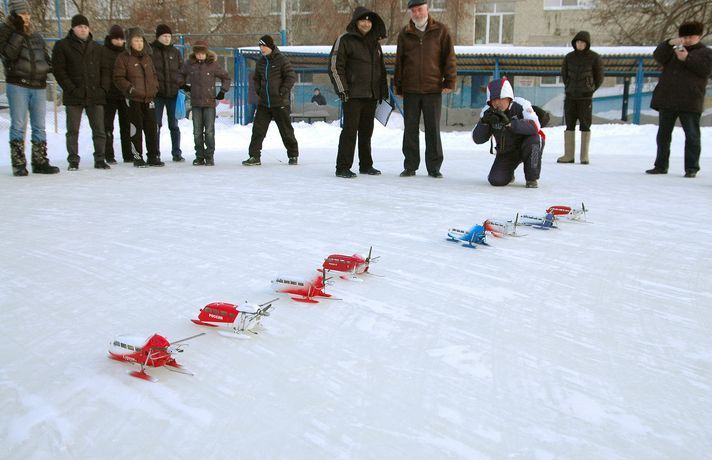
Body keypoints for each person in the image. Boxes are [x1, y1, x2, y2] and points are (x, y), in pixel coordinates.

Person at [394, 0, 456, 178]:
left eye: (420, 9)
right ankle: (410, 165)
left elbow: (449, 58)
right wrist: (398, 86)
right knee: (410, 129)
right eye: (413, 11)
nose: (417, 13)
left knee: (433, 129)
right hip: (411, 90)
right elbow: (400, 61)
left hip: (433, 89)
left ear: (427, 8)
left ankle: (434, 167)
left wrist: (449, 82)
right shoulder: (405, 33)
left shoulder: (441, 30)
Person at [328, 6, 388, 178]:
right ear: (356, 21)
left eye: (369, 20)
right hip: (352, 95)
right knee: (349, 131)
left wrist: (383, 90)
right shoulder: (345, 40)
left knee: (366, 132)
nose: (366, 23)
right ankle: (343, 167)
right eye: (363, 20)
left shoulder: (375, 43)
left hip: (371, 95)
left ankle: (366, 165)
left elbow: (381, 69)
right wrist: (342, 89)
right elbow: (334, 66)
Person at [0, 0, 58, 176]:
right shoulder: (6, 32)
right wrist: (18, 32)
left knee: (39, 125)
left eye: (27, 14)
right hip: (18, 84)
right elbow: (8, 55)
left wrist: (47, 67)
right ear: (14, 15)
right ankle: (18, 162)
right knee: (18, 124)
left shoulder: (36, 35)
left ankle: (39, 161)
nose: (26, 17)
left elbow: (45, 56)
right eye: (22, 14)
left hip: (38, 85)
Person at [647, 21, 712, 178]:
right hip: (668, 99)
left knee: (692, 136)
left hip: (690, 101)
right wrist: (669, 43)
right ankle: (660, 165)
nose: (687, 40)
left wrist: (687, 58)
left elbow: (705, 70)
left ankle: (691, 167)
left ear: (699, 36)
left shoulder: (705, 52)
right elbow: (658, 56)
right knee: (663, 135)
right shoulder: (673, 50)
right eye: (684, 36)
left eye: (691, 37)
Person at [52, 14, 110, 170]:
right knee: (73, 130)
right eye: (79, 27)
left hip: (95, 95)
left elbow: (105, 70)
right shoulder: (62, 46)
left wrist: (102, 89)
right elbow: (59, 71)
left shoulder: (98, 48)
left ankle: (100, 159)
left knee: (99, 129)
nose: (83, 29)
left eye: (85, 27)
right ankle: (73, 160)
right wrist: (71, 89)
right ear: (73, 28)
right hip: (74, 95)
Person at [472, 77, 544, 188]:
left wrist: (510, 123)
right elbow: (477, 139)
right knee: (496, 180)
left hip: (526, 146)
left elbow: (535, 127)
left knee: (534, 139)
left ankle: (532, 178)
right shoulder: (487, 111)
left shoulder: (521, 104)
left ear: (509, 97)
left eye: (500, 98)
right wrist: (484, 123)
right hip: (507, 151)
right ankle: (509, 172)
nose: (497, 103)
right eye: (493, 100)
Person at [242, 35, 299, 166]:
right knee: (258, 130)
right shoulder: (261, 62)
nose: (261, 49)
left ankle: (293, 154)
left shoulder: (282, 60)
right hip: (264, 103)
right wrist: (259, 90)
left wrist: (282, 91)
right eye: (260, 46)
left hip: (279, 103)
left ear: (270, 46)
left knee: (286, 130)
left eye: (264, 46)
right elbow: (256, 79)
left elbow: (291, 77)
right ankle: (254, 156)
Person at [113, 27, 163, 167]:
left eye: (141, 40)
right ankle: (137, 156)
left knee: (152, 128)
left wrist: (155, 88)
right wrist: (130, 89)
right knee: (136, 128)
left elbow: (153, 75)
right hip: (134, 99)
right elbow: (118, 78)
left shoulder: (147, 58)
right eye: (136, 40)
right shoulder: (123, 58)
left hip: (149, 98)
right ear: (130, 42)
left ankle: (153, 156)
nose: (139, 43)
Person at [176, 40, 230, 166]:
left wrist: (223, 91)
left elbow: (226, 77)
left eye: (202, 53)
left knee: (210, 131)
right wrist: (183, 85)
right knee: (197, 131)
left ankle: (209, 156)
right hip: (196, 103)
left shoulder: (213, 65)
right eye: (197, 53)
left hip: (209, 103)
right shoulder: (190, 64)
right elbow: (179, 74)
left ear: (206, 52)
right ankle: (199, 156)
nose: (200, 55)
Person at [558, 30, 603, 165]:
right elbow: (564, 75)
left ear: (587, 44)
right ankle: (568, 155)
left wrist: (589, 89)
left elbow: (599, 77)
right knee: (569, 124)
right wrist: (570, 87)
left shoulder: (594, 57)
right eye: (578, 42)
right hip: (571, 96)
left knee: (585, 125)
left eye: (582, 42)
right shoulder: (569, 57)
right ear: (574, 43)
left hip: (585, 98)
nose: (580, 44)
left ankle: (584, 156)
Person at [151, 24, 184, 162]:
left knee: (174, 125)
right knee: (155, 124)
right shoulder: (151, 51)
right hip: (157, 95)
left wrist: (180, 84)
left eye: (169, 36)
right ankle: (155, 152)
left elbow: (181, 70)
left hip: (172, 94)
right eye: (164, 36)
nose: (167, 39)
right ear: (158, 37)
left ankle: (176, 152)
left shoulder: (175, 52)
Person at [102, 24, 132, 164]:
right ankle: (109, 154)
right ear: (111, 38)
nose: (119, 41)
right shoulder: (103, 52)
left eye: (121, 39)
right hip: (108, 94)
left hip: (124, 94)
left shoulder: (126, 54)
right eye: (116, 39)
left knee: (126, 125)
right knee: (107, 126)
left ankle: (128, 154)